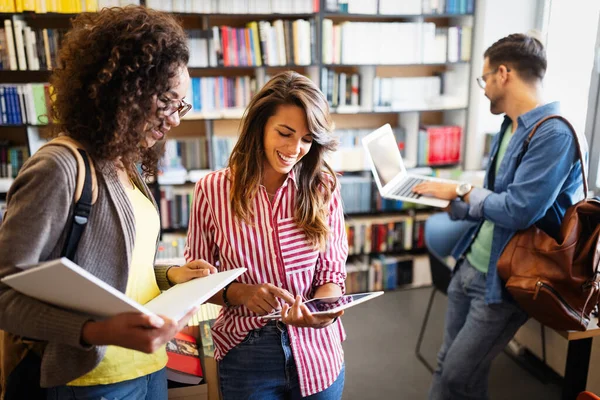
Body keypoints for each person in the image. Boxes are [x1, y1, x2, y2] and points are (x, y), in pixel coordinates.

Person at [0, 6, 217, 400]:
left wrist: (171, 277)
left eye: (181, 106)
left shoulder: (125, 162)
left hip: (151, 368)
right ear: (125, 89)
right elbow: (5, 295)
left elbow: (113, 266)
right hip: (89, 381)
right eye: (168, 101)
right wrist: (96, 331)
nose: (175, 120)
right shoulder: (59, 168)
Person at [413, 33, 588, 400]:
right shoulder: (510, 125)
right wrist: (450, 202)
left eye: (484, 79)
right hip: (471, 263)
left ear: (503, 74)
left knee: (457, 377)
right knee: (452, 369)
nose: (484, 87)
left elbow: (520, 209)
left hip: (506, 281)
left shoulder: (554, 133)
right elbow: (495, 198)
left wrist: (460, 192)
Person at [185, 71, 348, 399]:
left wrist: (324, 309)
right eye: (285, 133)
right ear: (260, 125)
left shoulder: (322, 187)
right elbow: (197, 283)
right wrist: (241, 294)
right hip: (247, 352)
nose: (295, 149)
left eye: (306, 139)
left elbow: (332, 273)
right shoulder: (212, 191)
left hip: (317, 352)